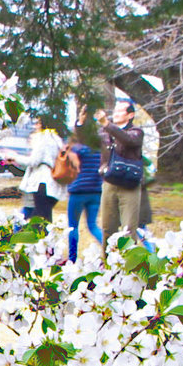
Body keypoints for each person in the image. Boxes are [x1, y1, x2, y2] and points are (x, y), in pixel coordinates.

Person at [97, 100, 150, 248]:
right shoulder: (104, 132)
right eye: (115, 110)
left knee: (128, 230)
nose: (116, 113)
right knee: (108, 229)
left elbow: (128, 140)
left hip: (130, 184)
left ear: (130, 115)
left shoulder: (137, 132)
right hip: (109, 182)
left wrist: (107, 124)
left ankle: (128, 267)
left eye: (120, 111)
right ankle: (107, 266)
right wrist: (80, 123)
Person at [62, 125, 104, 263]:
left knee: (73, 226)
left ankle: (72, 259)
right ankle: (110, 249)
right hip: (96, 192)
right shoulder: (99, 151)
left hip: (78, 192)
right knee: (92, 225)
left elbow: (72, 165)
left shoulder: (76, 149)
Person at [16, 118, 65, 223]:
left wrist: (15, 157)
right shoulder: (56, 139)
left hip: (42, 182)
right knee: (44, 217)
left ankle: (15, 233)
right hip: (53, 183)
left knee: (40, 219)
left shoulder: (44, 139)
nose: (35, 126)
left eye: (37, 123)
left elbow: (34, 161)